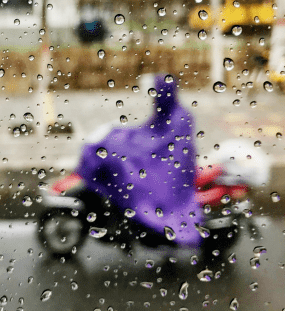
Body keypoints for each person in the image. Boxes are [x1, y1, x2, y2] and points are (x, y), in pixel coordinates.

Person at [75, 75, 203, 247]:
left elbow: (161, 144)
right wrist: (124, 133)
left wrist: (133, 144)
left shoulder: (180, 116)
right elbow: (149, 130)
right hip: (161, 161)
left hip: (171, 173)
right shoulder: (165, 110)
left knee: (129, 174)